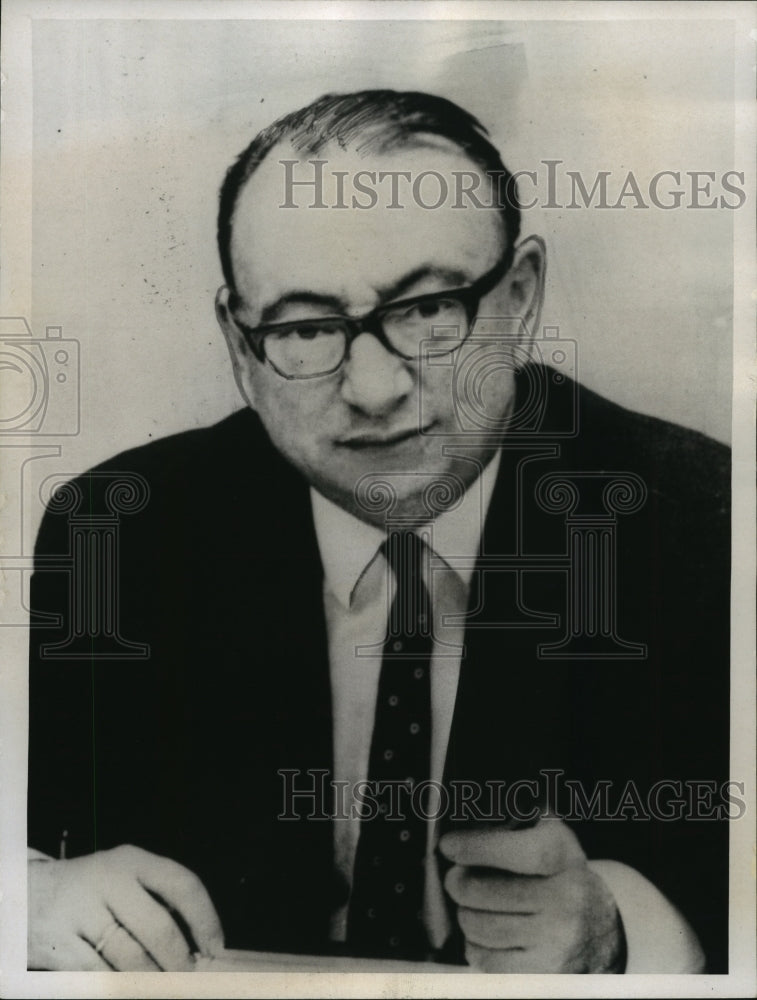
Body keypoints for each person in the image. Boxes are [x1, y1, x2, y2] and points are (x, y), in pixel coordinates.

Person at [27, 90, 730, 974]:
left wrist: (623, 928)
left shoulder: (706, 528)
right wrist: (29, 893)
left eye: (429, 310)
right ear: (240, 348)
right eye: (308, 326)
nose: (372, 389)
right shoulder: (120, 530)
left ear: (519, 297)